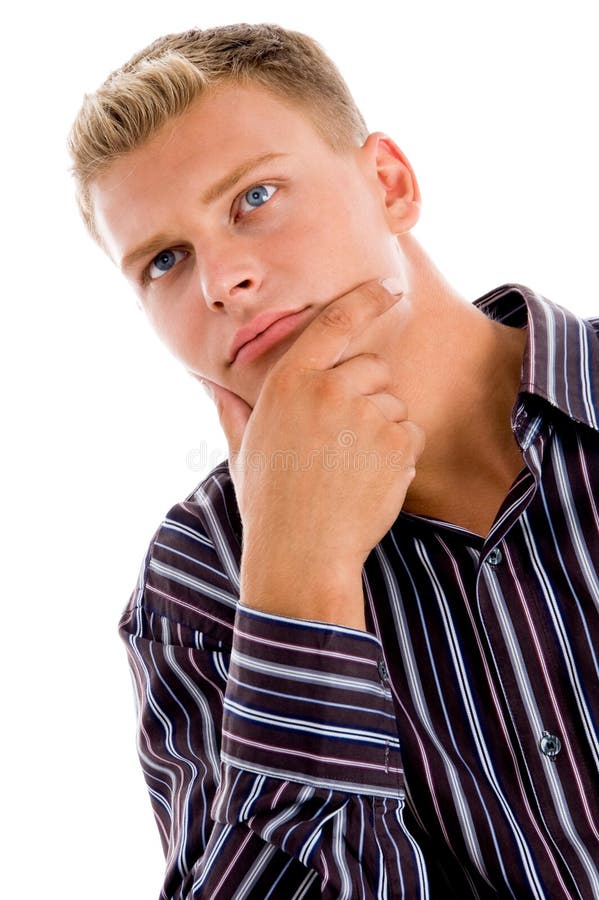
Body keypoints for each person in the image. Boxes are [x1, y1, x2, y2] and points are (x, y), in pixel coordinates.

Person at [68, 23, 599, 899]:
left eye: (254, 197)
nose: (220, 283)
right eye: (165, 260)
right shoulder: (198, 580)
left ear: (389, 183)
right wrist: (297, 580)